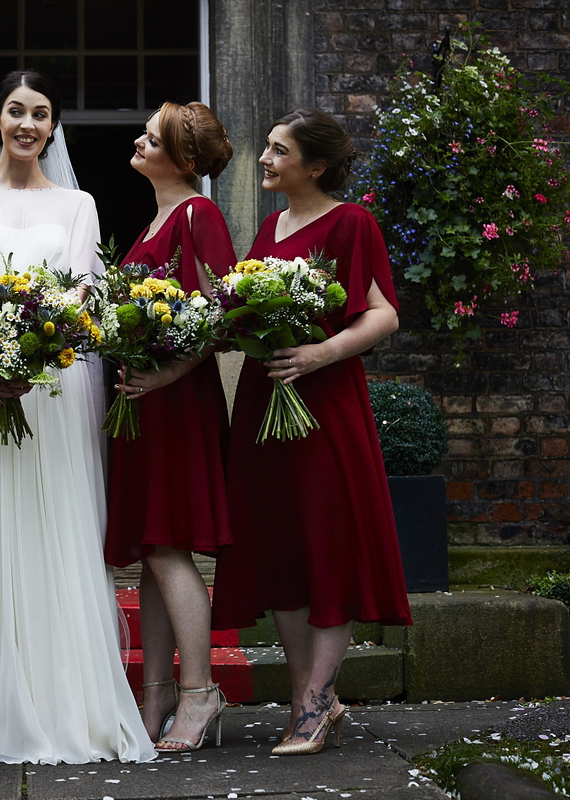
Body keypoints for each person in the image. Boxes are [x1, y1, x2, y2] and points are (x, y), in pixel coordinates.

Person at [0, 70, 156, 765]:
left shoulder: (80, 205)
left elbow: (80, 295)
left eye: (40, 114)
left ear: (53, 128)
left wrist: (30, 362)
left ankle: (68, 703)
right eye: (15, 110)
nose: (27, 123)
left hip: (54, 387)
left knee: (57, 529)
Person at [210, 108, 413, 756]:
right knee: (287, 553)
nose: (264, 159)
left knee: (329, 548)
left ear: (315, 165)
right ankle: (308, 702)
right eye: (267, 148)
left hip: (325, 407)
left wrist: (321, 353)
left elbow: (384, 315)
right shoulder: (272, 226)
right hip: (268, 414)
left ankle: (317, 704)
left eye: (278, 150)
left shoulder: (353, 224)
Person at [104, 101, 235, 753]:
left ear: (183, 161)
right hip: (143, 401)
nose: (138, 140)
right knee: (152, 552)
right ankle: (155, 693)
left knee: (168, 547)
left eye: (150, 138)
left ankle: (200, 691)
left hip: (174, 401)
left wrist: (165, 376)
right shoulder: (155, 217)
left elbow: (220, 311)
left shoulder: (198, 214)